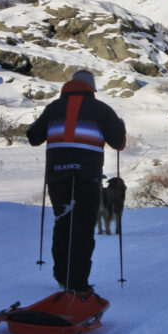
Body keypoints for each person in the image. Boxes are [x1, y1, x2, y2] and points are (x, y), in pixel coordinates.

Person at [27, 69, 126, 294]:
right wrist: (120, 124)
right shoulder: (101, 109)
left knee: (63, 223)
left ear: (70, 85)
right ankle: (78, 283)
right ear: (92, 88)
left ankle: (62, 277)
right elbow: (119, 142)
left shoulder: (53, 108)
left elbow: (33, 136)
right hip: (87, 178)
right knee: (82, 228)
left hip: (58, 177)